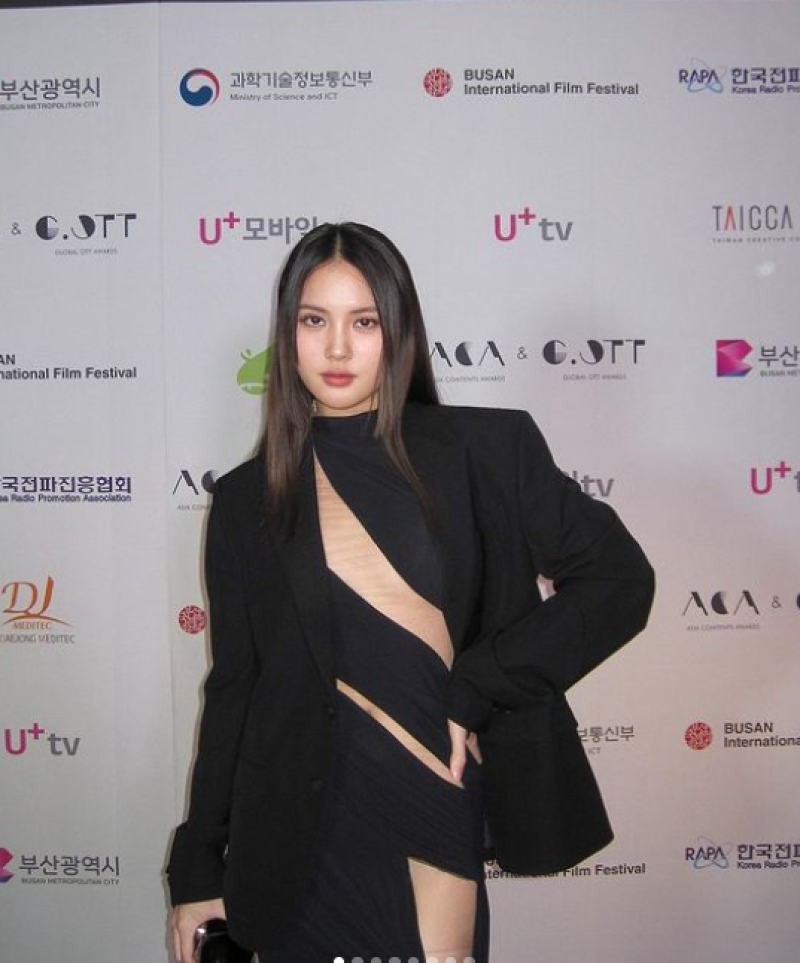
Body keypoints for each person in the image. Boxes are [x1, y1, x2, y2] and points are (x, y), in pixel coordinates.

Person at [166, 222, 655, 963]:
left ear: (399, 332)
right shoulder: (244, 499)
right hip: (291, 839)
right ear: (288, 333)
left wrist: (483, 682)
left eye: (363, 322)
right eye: (314, 321)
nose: (337, 348)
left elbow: (620, 580)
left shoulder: (486, 451)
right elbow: (236, 688)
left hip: (430, 802)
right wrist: (199, 867)